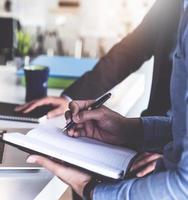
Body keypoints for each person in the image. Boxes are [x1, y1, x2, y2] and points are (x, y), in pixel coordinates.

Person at [25, 0, 188, 198]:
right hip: (163, 136)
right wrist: (131, 129)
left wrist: (90, 189)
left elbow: (182, 185)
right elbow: (134, 47)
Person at [15, 0, 181, 118]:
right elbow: (132, 50)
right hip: (153, 135)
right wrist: (71, 98)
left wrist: (179, 153)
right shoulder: (172, 4)